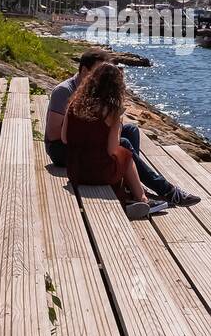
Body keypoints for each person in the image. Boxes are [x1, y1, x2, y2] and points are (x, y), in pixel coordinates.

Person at [44, 50, 200, 207]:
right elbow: (56, 136)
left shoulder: (75, 102)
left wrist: (95, 130)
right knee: (124, 145)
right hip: (62, 150)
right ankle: (155, 192)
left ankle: (132, 182)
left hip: (75, 165)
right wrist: (112, 128)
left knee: (131, 130)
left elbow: (67, 136)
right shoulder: (65, 91)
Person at [61, 61, 165, 220]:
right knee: (126, 155)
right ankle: (142, 199)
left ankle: (127, 199)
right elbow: (112, 149)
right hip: (99, 174)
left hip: (76, 171)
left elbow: (64, 138)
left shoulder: (74, 104)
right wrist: (119, 125)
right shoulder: (111, 110)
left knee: (120, 156)